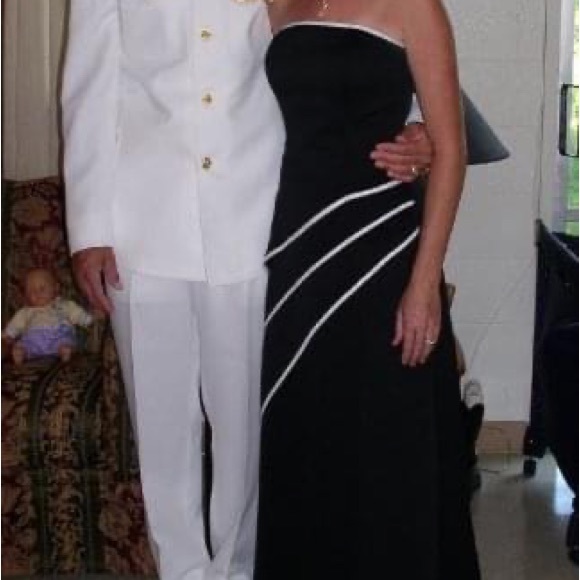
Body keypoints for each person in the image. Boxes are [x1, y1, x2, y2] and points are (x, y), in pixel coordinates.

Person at [61, 2, 431, 580]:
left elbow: (341, 37)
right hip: (142, 223)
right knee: (161, 432)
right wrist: (89, 228)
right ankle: (181, 570)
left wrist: (417, 125)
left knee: (247, 432)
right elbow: (90, 84)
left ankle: (239, 569)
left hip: (255, 219)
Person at [255, 1, 481, 579]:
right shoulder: (276, 4)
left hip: (382, 255)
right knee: (305, 436)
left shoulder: (414, 5)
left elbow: (452, 151)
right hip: (295, 251)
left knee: (385, 444)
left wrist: (425, 282)